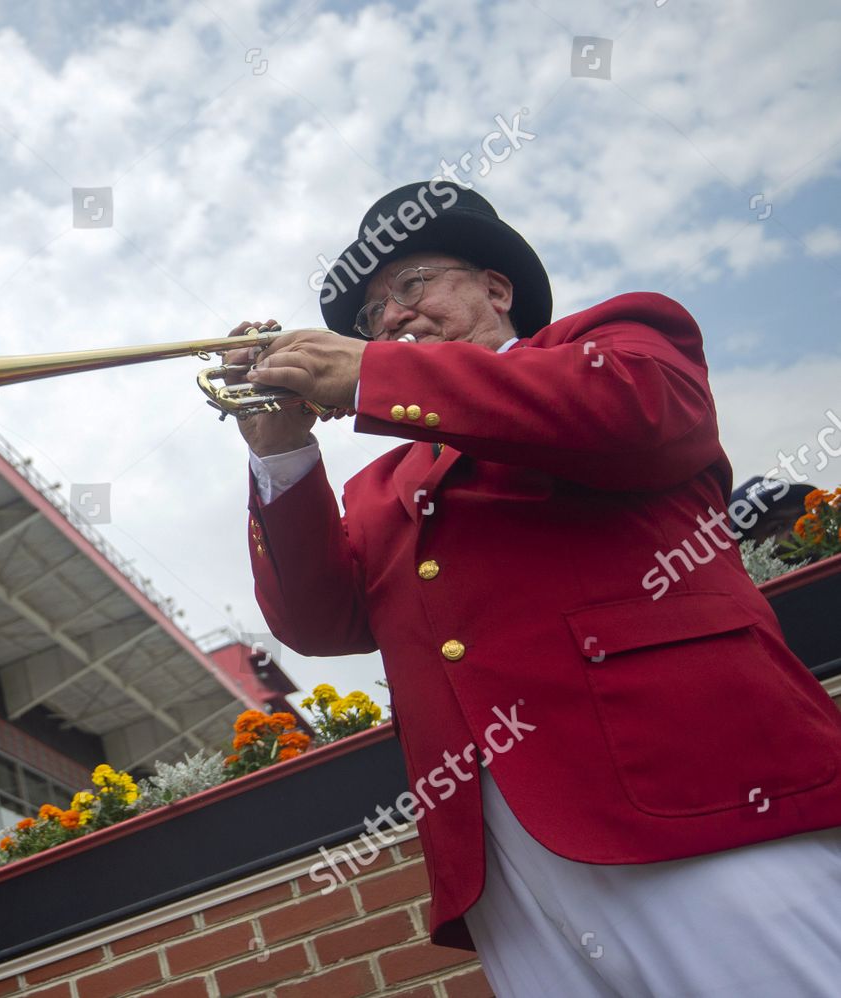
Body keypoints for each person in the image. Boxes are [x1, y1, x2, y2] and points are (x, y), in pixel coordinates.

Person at [233, 180, 841, 996]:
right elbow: (317, 620)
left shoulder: (617, 338)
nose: (390, 319)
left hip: (702, 794)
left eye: (410, 286)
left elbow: (637, 414)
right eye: (372, 315)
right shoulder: (381, 483)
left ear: (495, 286)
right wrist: (280, 454)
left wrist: (374, 374)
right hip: (503, 867)